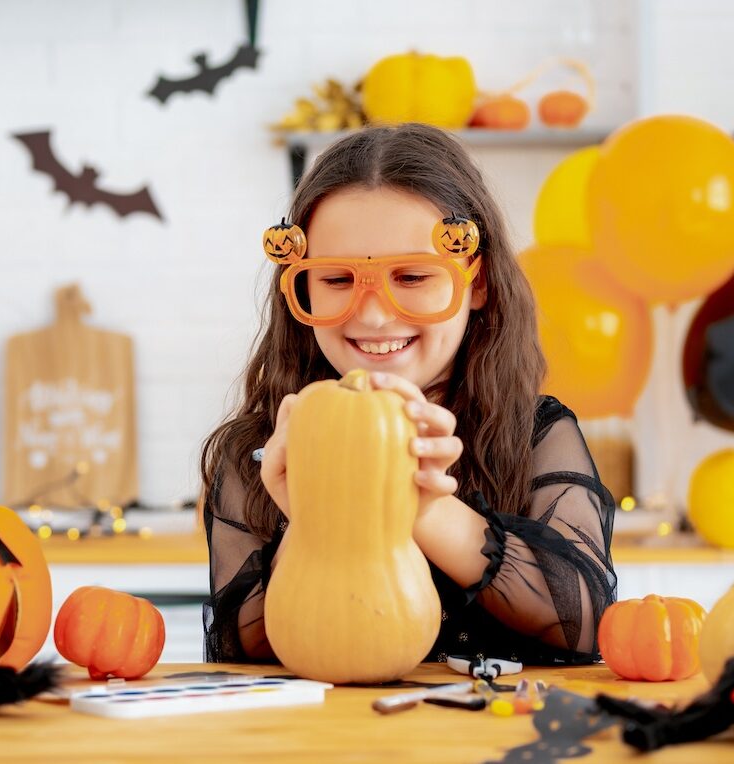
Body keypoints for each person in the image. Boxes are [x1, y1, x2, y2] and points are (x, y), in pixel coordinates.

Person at [200, 122, 616, 667]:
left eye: (414, 277)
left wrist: (417, 505)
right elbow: (245, 651)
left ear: (479, 283)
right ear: (300, 287)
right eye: (337, 280)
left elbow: (585, 626)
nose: (372, 314)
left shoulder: (536, 433)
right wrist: (318, 525)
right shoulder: (258, 449)